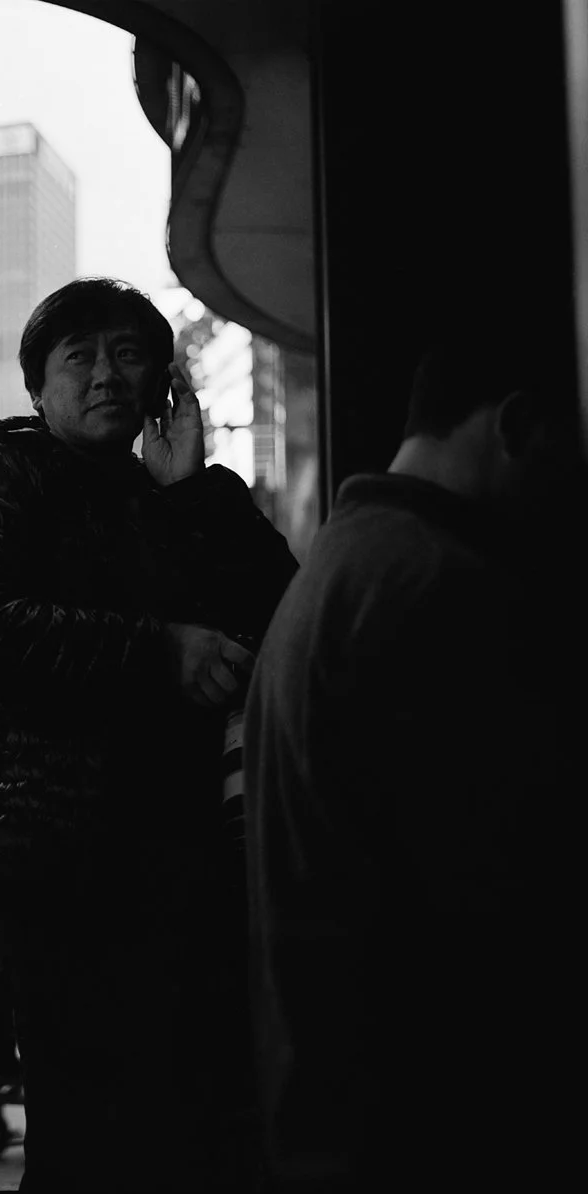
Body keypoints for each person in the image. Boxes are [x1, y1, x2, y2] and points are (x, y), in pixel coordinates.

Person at [0, 276, 300, 1191]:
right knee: (90, 1142)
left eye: (129, 354)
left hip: (183, 869)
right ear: (37, 387)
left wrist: (194, 490)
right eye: (78, 356)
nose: (105, 374)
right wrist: (156, 652)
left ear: (163, 379)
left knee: (189, 1135)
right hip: (59, 880)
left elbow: (286, 613)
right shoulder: (4, 473)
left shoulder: (170, 492)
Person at [243, 334, 585, 1191]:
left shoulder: (341, 564)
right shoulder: (440, 584)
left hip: (335, 1109)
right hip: (429, 1120)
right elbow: (501, 896)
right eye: (563, 454)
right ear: (515, 425)